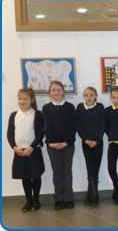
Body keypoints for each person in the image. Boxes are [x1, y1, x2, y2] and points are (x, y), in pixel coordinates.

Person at [7, 89, 45, 212]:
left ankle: (36, 200)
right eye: (20, 99)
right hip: (19, 151)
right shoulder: (14, 115)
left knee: (35, 175)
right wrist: (14, 147)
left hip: (33, 150)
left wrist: (31, 147)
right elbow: (9, 134)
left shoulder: (38, 114)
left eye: (25, 99)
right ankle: (28, 201)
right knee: (25, 177)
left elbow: (40, 134)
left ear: (32, 100)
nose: (22, 101)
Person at [42, 81, 76, 210]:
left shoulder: (70, 107)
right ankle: (59, 199)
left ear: (63, 91)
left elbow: (73, 127)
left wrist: (66, 142)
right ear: (49, 93)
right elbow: (46, 127)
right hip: (53, 146)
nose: (56, 93)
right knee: (57, 172)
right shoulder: (46, 108)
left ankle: (68, 199)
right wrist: (51, 142)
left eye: (58, 90)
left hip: (68, 145)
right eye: (53, 90)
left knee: (67, 172)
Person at [76, 87, 105, 206]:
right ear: (83, 96)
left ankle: (91, 195)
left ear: (96, 96)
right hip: (86, 143)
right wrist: (86, 139)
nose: (89, 97)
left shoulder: (100, 107)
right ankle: (94, 195)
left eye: (91, 95)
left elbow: (102, 124)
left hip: (98, 143)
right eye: (86, 95)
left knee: (95, 169)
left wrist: (97, 140)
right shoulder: (79, 108)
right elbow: (78, 125)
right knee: (90, 168)